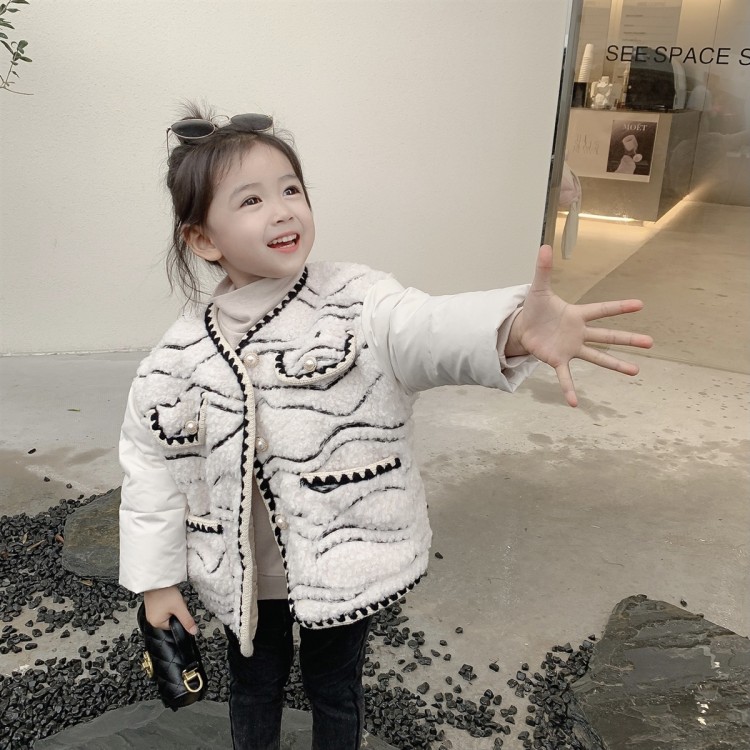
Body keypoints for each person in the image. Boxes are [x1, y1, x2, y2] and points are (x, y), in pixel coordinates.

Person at [118, 104, 653, 750]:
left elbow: (423, 329)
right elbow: (150, 467)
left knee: (335, 687)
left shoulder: (358, 300)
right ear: (204, 239)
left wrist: (512, 329)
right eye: (252, 200)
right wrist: (155, 583)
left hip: (345, 563)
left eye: (291, 190)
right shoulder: (177, 358)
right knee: (253, 686)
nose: (283, 211)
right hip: (242, 577)